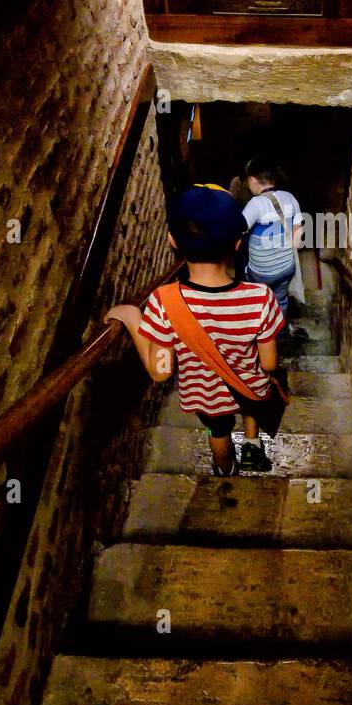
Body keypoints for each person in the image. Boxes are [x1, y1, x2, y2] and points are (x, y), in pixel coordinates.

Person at [104, 185, 283, 476]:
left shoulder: (164, 302)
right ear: (238, 243)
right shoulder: (261, 298)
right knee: (251, 397)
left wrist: (132, 316)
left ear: (172, 240)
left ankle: (226, 469)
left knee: (219, 430)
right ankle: (252, 444)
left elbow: (161, 370)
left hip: (207, 399)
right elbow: (269, 364)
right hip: (250, 387)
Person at [242, 156, 303, 322]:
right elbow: (298, 237)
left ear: (252, 180)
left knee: (260, 302)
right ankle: (280, 332)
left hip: (261, 272)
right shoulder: (290, 198)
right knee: (280, 299)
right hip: (286, 267)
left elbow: (239, 228)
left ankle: (263, 333)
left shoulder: (256, 204)